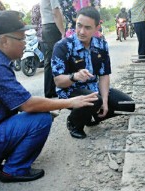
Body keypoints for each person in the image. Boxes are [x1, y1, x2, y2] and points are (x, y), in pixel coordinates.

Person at [0, 10, 98, 183]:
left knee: (35, 113)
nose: (25, 43)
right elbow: (27, 104)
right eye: (21, 39)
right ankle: (14, 169)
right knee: (41, 118)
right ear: (5, 40)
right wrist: (70, 102)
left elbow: (18, 100)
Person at [51, 6, 136, 139]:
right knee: (95, 99)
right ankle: (74, 122)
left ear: (97, 28)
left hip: (93, 89)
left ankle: (92, 116)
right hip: (70, 90)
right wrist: (75, 76)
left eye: (88, 27)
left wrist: (105, 101)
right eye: (79, 26)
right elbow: (58, 82)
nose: (82, 31)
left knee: (128, 105)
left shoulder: (101, 45)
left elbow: (104, 75)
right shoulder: (62, 46)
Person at [40, 0, 65, 98]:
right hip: (53, 27)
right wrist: (63, 32)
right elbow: (56, 12)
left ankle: (50, 90)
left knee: (49, 59)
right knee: (55, 58)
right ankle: (52, 90)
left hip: (46, 27)